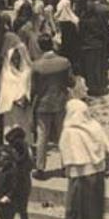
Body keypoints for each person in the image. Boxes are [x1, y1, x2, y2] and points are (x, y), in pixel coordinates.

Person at [59, 99, 109, 219]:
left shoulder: (68, 131)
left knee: (74, 210)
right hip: (96, 174)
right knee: (91, 210)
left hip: (78, 176)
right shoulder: (95, 126)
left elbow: (64, 154)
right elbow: (108, 149)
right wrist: (108, 167)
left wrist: (66, 169)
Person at [31, 34, 73, 180]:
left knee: (42, 136)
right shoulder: (64, 62)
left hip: (43, 104)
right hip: (60, 102)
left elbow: (33, 88)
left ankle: (40, 168)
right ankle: (66, 166)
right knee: (63, 135)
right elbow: (71, 82)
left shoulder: (36, 65)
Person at [0, 44, 33, 145]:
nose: (16, 61)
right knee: (11, 129)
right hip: (11, 107)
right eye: (13, 59)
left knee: (24, 129)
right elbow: (5, 90)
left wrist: (25, 98)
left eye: (18, 58)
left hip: (24, 106)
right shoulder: (6, 73)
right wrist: (14, 100)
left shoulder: (27, 71)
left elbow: (29, 86)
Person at [5, 127, 33, 219]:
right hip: (26, 183)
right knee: (23, 210)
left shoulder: (18, 152)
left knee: (14, 209)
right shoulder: (28, 149)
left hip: (19, 183)